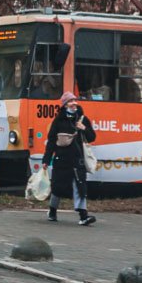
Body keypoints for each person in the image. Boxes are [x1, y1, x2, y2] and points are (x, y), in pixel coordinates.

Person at [41, 92, 98, 226]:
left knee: (80, 187)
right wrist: (46, 160)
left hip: (77, 160)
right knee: (57, 187)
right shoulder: (58, 120)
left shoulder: (83, 119)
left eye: (74, 100)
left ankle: (83, 216)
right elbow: (51, 141)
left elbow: (92, 137)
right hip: (61, 159)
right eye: (70, 101)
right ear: (64, 105)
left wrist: (83, 128)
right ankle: (52, 211)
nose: (73, 103)